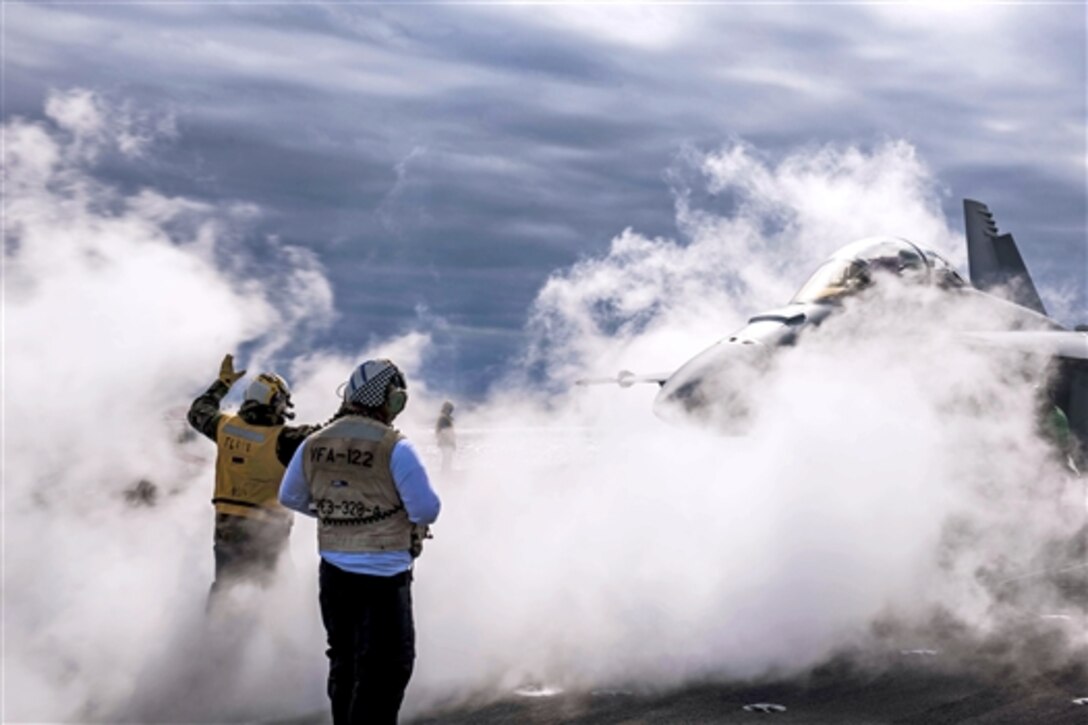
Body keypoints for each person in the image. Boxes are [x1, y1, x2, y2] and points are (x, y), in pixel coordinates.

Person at [279, 358, 440, 725]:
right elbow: (426, 509)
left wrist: (337, 513)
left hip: (333, 573)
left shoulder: (314, 443)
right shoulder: (395, 447)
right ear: (388, 398)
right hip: (385, 577)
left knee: (344, 662)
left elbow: (289, 496)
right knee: (386, 669)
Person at [188, 353, 315, 601]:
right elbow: (327, 436)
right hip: (268, 534)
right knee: (279, 596)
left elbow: (198, 411)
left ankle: (212, 635)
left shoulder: (225, 427)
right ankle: (275, 638)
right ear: (277, 402)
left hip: (226, 530)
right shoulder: (285, 439)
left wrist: (222, 384)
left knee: (224, 589)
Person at [435, 400, 456, 473]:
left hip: (445, 442)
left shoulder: (444, 418)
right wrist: (451, 441)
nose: (450, 412)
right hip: (445, 442)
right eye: (450, 410)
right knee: (447, 459)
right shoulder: (443, 418)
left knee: (447, 458)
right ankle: (445, 473)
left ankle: (446, 472)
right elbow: (444, 431)